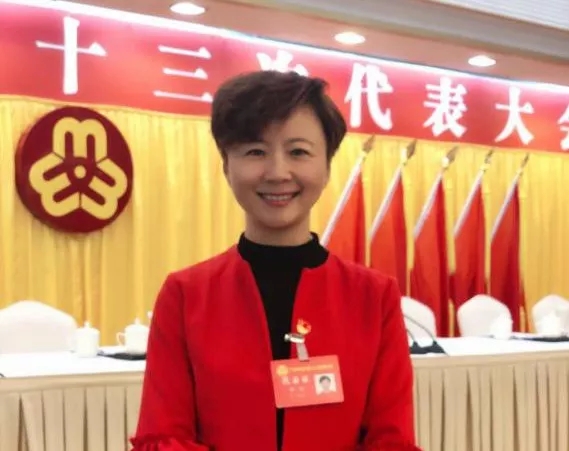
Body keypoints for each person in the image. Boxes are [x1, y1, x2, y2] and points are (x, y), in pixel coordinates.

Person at [131, 70, 420, 451]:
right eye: (255, 151)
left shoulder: (374, 296)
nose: (277, 172)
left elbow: (392, 439)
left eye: (298, 152)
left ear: (327, 166)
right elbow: (163, 436)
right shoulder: (186, 295)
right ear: (226, 166)